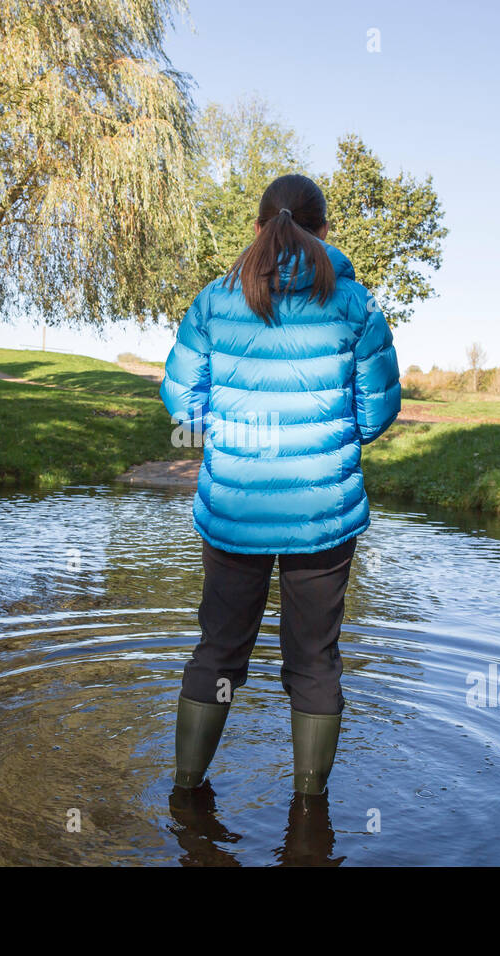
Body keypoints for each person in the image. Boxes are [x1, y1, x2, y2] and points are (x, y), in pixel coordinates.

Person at [160, 173, 400, 799]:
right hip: (322, 509)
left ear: (259, 227)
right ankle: (310, 808)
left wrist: (234, 435)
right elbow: (375, 412)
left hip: (234, 505)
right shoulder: (357, 304)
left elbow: (183, 401)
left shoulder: (214, 300)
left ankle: (186, 791)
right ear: (324, 231)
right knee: (315, 661)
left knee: (217, 650)